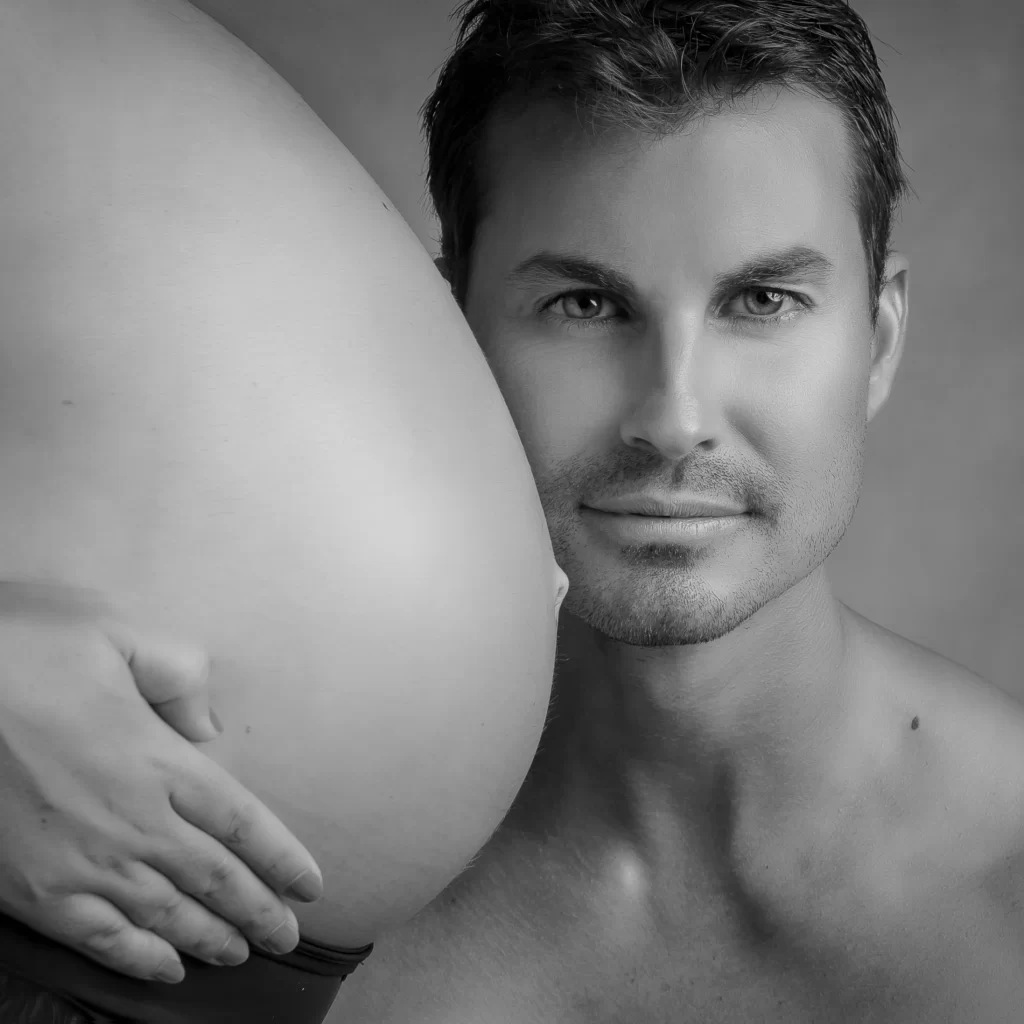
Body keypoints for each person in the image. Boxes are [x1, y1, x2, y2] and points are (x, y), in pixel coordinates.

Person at [4, 0, 1024, 1021]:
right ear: (449, 330)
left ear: (879, 338)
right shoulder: (163, 815)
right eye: (584, 305)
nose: (673, 418)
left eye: (761, 302)